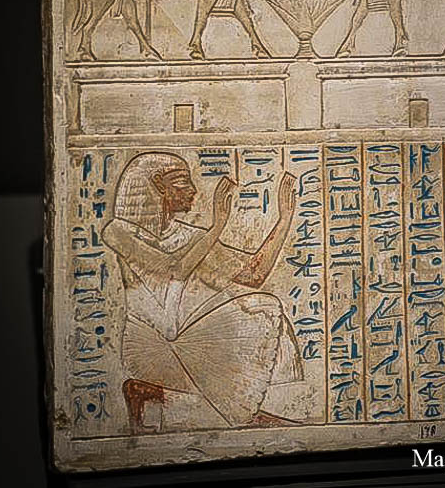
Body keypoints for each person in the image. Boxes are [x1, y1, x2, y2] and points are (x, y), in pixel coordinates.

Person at [102, 151, 302, 433]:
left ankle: (155, 397)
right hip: (149, 342)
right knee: (261, 311)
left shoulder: (187, 235)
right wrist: (217, 226)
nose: (194, 190)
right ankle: (239, 414)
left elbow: (252, 275)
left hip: (182, 334)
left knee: (263, 307)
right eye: (183, 182)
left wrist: (284, 220)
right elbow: (172, 270)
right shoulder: (118, 232)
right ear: (159, 185)